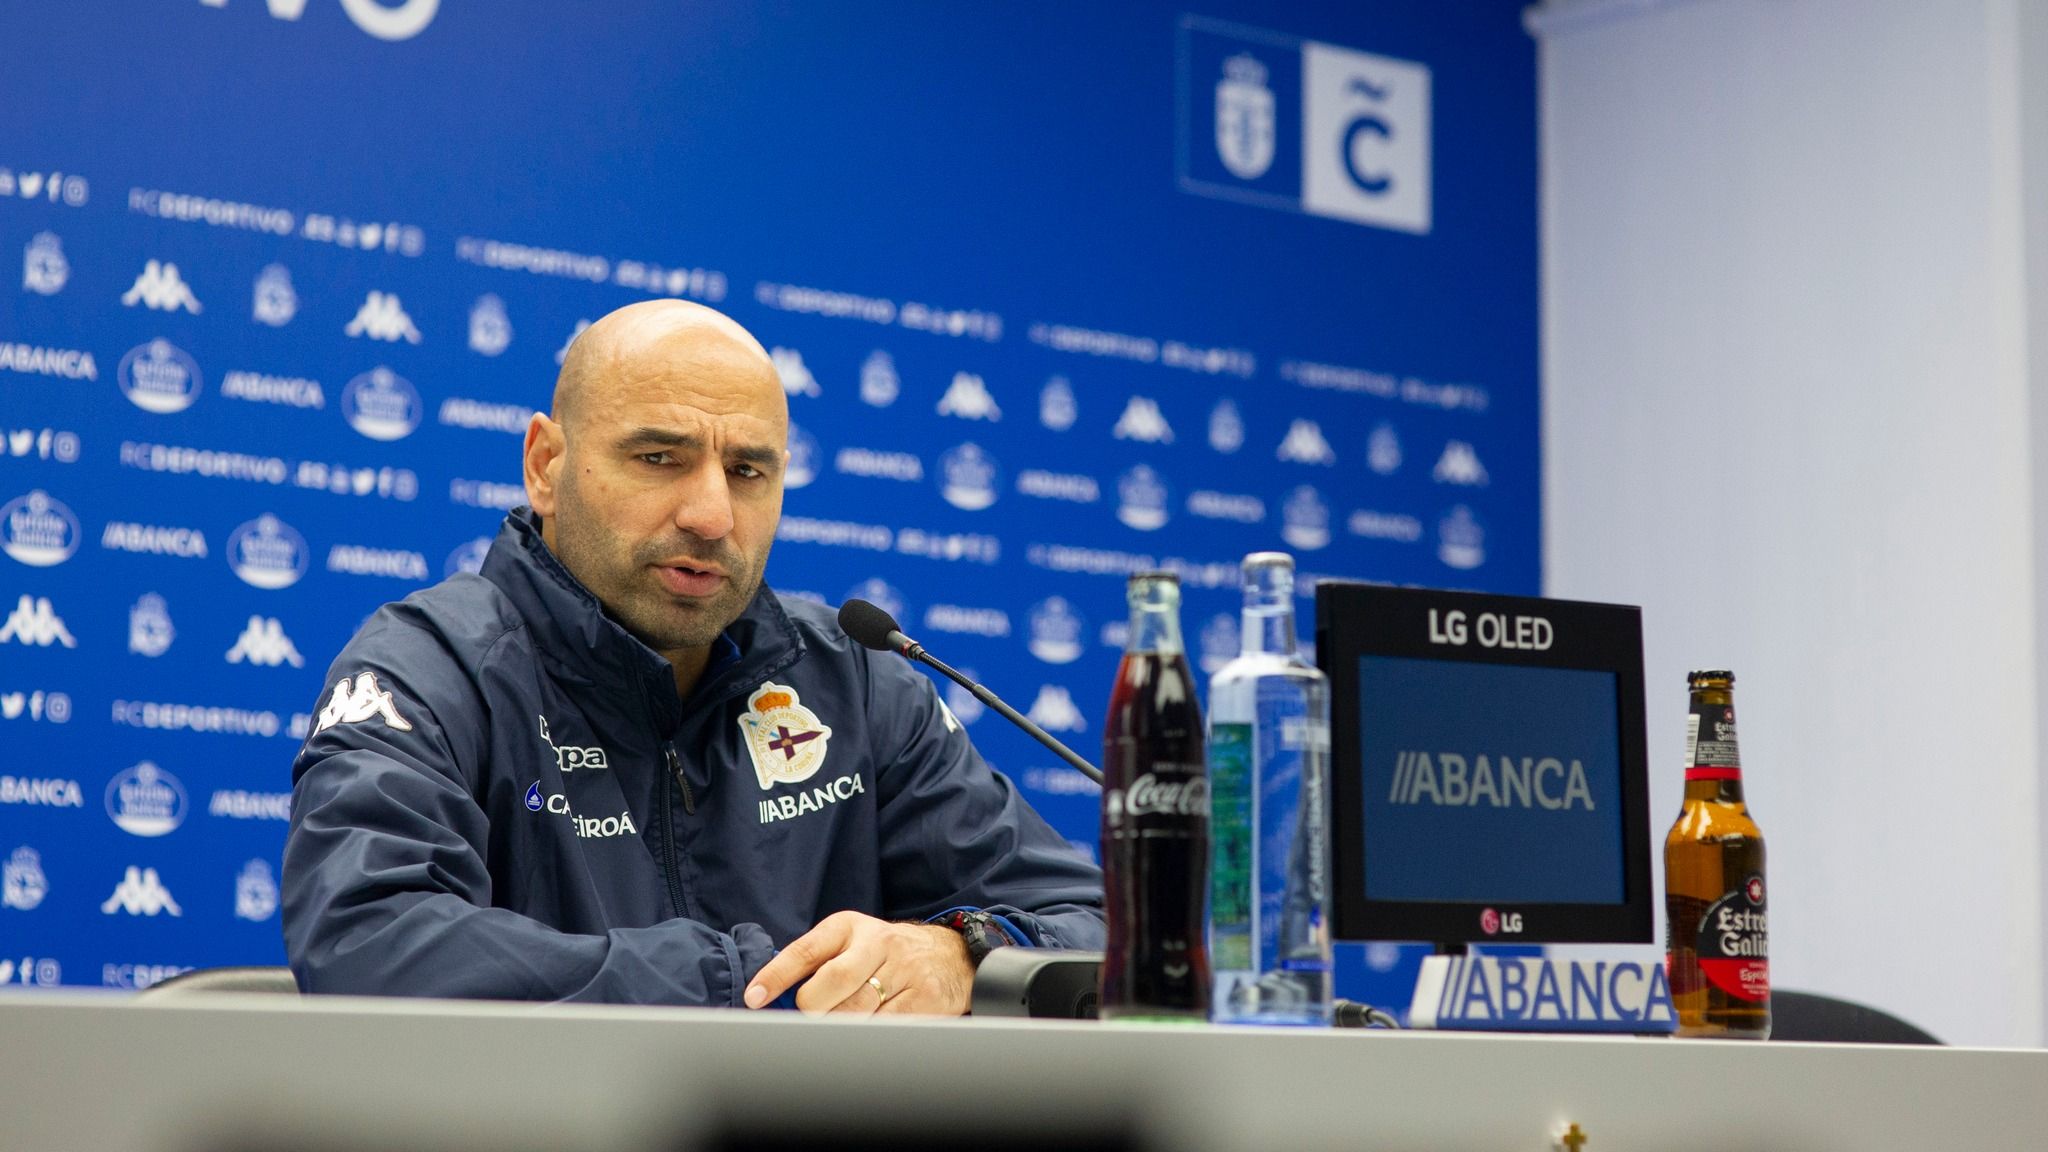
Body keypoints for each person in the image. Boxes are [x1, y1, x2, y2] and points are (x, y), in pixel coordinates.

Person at [282, 300, 1105, 1015]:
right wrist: (746, 981)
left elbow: (1094, 926)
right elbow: (369, 941)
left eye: (748, 470)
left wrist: (964, 953)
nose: (713, 513)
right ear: (545, 466)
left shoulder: (854, 682)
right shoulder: (434, 670)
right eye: (659, 458)